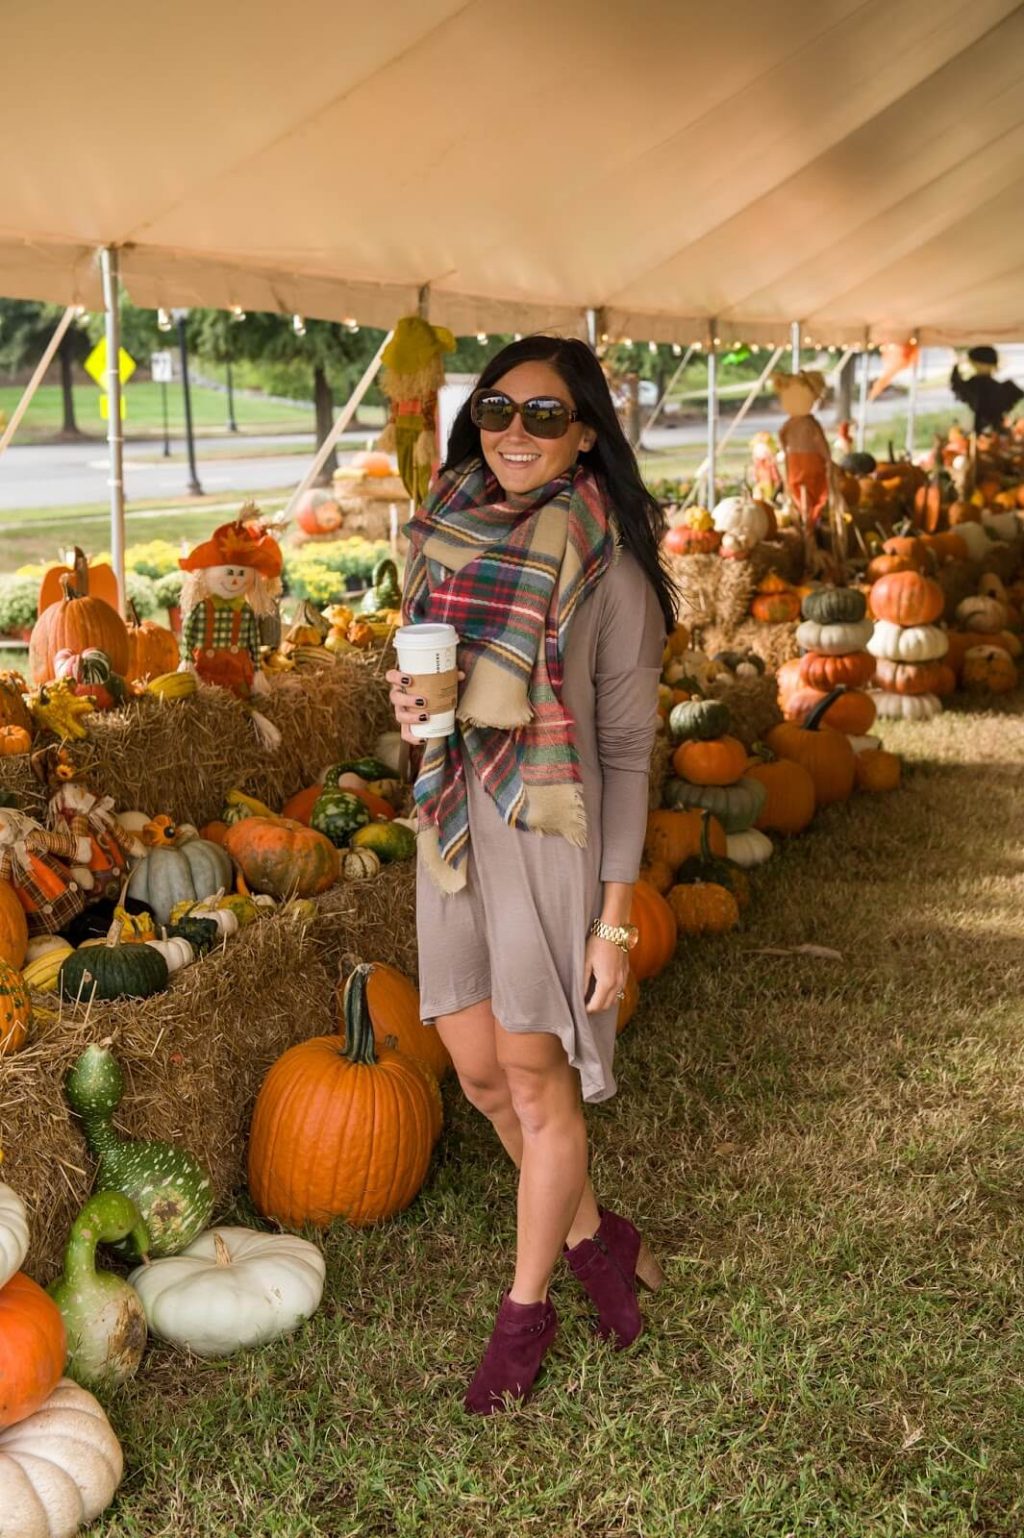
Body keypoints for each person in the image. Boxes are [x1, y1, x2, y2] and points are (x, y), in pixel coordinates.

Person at [387, 335, 676, 1415]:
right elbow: (427, 690)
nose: (514, 431)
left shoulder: (611, 569)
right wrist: (410, 710)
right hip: (455, 823)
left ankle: (525, 1314)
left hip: (550, 833)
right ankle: (600, 1241)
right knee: (476, 1073)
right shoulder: (445, 533)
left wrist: (612, 920)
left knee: (536, 1077)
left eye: (544, 415)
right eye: (498, 409)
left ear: (586, 432)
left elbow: (625, 751)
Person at [949, 346, 1023, 435]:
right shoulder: (1007, 389)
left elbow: (956, 384)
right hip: (989, 434)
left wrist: (956, 364)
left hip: (988, 434)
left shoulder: (973, 386)